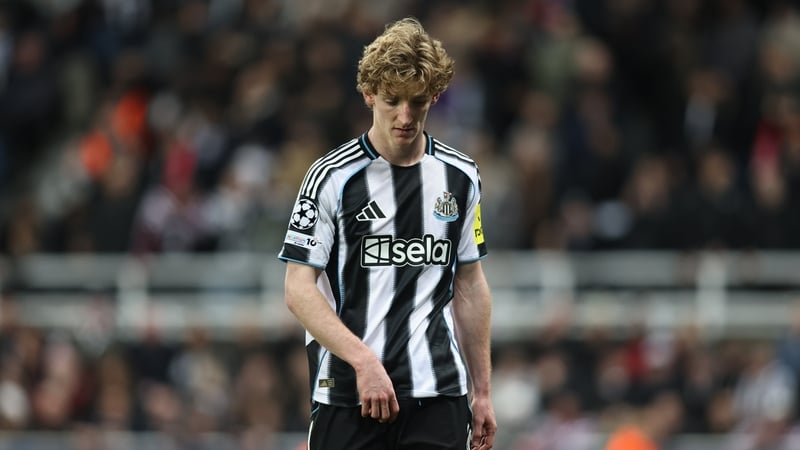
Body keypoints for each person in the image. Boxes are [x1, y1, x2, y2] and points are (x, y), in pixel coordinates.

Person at [278, 17, 497, 450]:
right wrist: (363, 361)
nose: (405, 115)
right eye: (392, 100)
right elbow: (298, 289)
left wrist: (484, 391)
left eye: (417, 102)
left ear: (435, 97)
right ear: (369, 95)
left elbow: (470, 284)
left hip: (438, 395)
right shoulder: (330, 178)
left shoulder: (461, 176)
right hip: (348, 392)